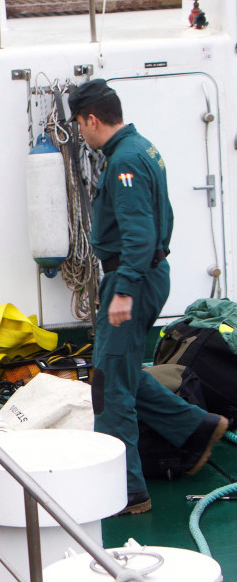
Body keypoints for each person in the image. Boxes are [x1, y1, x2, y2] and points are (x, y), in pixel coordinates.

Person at [70, 78, 228, 515]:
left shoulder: (124, 162)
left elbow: (139, 235)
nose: (80, 134)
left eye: (80, 125)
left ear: (92, 119)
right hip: (145, 276)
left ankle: (126, 491)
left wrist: (122, 291)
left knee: (109, 389)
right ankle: (197, 428)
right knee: (119, 371)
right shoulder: (143, 147)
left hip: (131, 280)